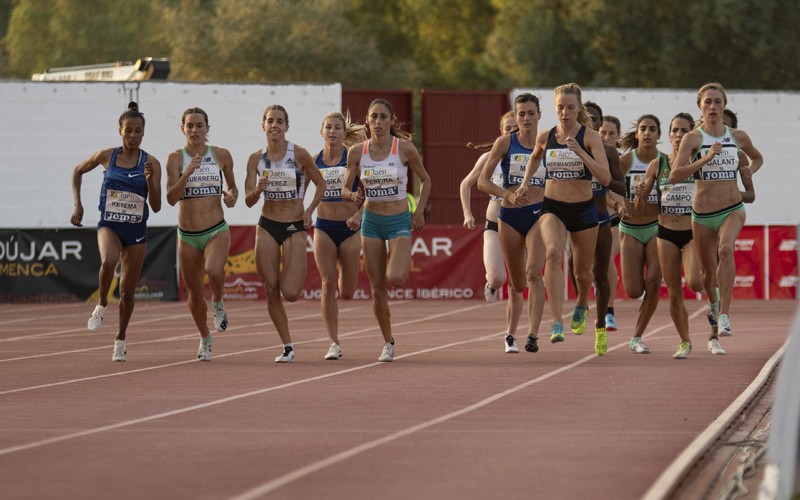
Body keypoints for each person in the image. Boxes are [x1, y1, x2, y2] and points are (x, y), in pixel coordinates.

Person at [518, 83, 611, 355]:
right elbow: (534, 158)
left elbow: (604, 178)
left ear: (578, 108)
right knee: (554, 253)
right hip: (553, 207)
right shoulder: (546, 137)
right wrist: (525, 183)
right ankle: (557, 321)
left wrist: (580, 152)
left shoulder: (590, 137)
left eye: (570, 107)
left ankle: (582, 303)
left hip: (584, 210)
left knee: (583, 274)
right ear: (554, 108)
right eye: (560, 107)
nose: (565, 112)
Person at [671, 83, 763, 353]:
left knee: (726, 249)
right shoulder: (693, 139)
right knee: (706, 275)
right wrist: (706, 159)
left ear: (724, 106)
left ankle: (723, 315)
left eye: (717, 102)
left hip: (732, 208)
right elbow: (676, 175)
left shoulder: (738, 136)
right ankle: (713, 304)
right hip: (701, 216)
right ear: (700, 107)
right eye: (707, 102)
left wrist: (749, 173)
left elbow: (757, 159)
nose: (712, 107)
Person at [341, 98, 431, 362]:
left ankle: (401, 255)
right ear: (367, 121)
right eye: (373, 117)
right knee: (378, 289)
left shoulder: (403, 149)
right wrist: (351, 197)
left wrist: (418, 212)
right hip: (371, 222)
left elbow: (425, 180)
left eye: (382, 117)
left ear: (391, 121)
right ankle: (388, 342)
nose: (377, 122)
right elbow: (346, 187)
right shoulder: (357, 152)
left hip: (399, 220)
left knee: (397, 278)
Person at [70, 101, 162, 362]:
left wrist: (148, 181)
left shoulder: (151, 162)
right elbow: (77, 171)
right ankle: (101, 305)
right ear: (120, 131)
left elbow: (156, 206)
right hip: (109, 224)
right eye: (128, 131)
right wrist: (78, 204)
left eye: (138, 131)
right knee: (108, 260)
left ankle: (120, 339)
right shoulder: (106, 156)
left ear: (144, 133)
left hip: (136, 231)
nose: (133, 136)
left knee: (128, 292)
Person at [244, 104, 326, 363]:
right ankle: (287, 345)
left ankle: (289, 273)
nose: (275, 125)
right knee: (270, 289)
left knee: (290, 292)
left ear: (287, 126)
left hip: (293, 226)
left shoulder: (298, 154)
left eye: (280, 121)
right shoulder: (255, 158)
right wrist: (257, 191)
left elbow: (321, 183)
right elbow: (247, 200)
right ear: (263, 126)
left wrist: (310, 209)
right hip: (267, 224)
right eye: (270, 121)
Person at [165, 107, 238, 361]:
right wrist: (187, 173)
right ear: (183, 129)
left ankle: (218, 301)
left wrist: (231, 197)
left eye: (199, 126)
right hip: (187, 235)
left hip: (216, 229)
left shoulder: (221, 155)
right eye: (190, 126)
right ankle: (205, 337)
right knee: (194, 294)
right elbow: (171, 198)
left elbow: (233, 188)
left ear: (208, 128)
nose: (194, 130)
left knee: (215, 270)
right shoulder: (175, 158)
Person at [476, 94, 547, 354]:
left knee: (534, 273)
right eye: (522, 114)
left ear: (539, 115)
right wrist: (507, 194)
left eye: (531, 113)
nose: (526, 118)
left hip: (539, 214)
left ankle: (532, 334)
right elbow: (482, 182)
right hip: (508, 216)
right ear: (516, 117)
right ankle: (519, 323)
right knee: (518, 284)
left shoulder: (550, 143)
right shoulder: (505, 143)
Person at [634, 113, 704, 359]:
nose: (678, 136)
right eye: (675, 131)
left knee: (695, 282)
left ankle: (714, 288)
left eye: (684, 131)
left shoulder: (699, 161)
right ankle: (685, 342)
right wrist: (641, 193)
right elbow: (642, 207)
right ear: (669, 135)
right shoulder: (658, 164)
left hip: (693, 232)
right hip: (665, 233)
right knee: (674, 292)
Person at [461, 112, 524, 353]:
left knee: (517, 285)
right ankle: (491, 284)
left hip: (520, 224)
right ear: (501, 132)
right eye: (507, 128)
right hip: (494, 223)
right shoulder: (490, 157)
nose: (511, 132)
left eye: (515, 128)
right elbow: (466, 184)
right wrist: (467, 213)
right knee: (498, 278)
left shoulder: (529, 156)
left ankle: (510, 334)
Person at [312, 111, 367, 360]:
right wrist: (303, 214)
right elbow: (302, 191)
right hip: (323, 226)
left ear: (344, 134)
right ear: (321, 132)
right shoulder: (314, 161)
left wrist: (359, 214)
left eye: (337, 128)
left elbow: (373, 192)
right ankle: (333, 342)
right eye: (328, 127)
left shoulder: (353, 159)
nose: (332, 132)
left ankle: (347, 282)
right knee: (327, 283)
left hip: (349, 228)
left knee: (347, 291)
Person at [573, 102, 626, 344]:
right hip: (575, 217)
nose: (590, 122)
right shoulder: (567, 148)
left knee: (602, 273)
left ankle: (603, 324)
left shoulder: (609, 152)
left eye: (595, 119)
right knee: (579, 269)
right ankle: (582, 304)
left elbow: (620, 186)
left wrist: (603, 178)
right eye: (586, 118)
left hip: (603, 217)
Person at [618, 114, 663, 354]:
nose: (647, 133)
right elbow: (610, 190)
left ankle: (637, 336)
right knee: (634, 290)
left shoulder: (666, 162)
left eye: (652, 129)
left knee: (654, 282)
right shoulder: (626, 161)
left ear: (659, 135)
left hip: (657, 227)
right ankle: (638, 328)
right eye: (643, 129)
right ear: (637, 134)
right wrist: (620, 205)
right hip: (632, 229)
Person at [600, 115, 623, 331]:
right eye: (603, 133)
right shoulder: (587, 157)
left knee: (607, 260)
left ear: (619, 137)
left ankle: (609, 311)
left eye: (611, 133)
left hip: (615, 218)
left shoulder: (622, 160)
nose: (606, 137)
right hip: (588, 219)